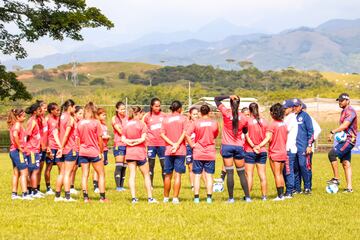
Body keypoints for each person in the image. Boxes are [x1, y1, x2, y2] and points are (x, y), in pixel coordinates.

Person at [214, 95, 250, 203]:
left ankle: (231, 199)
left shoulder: (226, 113)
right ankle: (247, 197)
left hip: (227, 146)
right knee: (241, 173)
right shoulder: (244, 117)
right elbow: (245, 131)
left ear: (230, 103)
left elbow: (216, 99)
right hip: (239, 146)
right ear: (239, 104)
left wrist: (228, 96)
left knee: (229, 173)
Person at [122, 106, 158, 203]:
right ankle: (150, 198)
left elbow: (123, 139)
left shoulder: (126, 125)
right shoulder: (142, 125)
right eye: (141, 113)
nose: (142, 115)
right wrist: (135, 141)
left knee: (132, 175)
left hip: (130, 153)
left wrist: (130, 142)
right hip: (140, 153)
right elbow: (142, 139)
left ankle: (134, 198)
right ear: (137, 113)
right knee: (146, 175)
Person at [186, 105, 219, 203]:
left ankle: (196, 198)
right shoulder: (214, 123)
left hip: (198, 152)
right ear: (209, 113)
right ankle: (209, 198)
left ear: (200, 113)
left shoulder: (196, 122)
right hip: (210, 152)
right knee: (209, 176)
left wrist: (192, 144)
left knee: (197, 175)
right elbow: (215, 135)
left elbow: (187, 134)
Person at [255, 103, 287, 201]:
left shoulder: (272, 124)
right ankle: (282, 195)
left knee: (276, 174)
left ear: (273, 113)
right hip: (283, 152)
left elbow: (268, 138)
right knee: (280, 174)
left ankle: (280, 196)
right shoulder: (284, 123)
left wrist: (259, 145)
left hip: (275, 152)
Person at [77, 102, 107, 203]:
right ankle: (102, 198)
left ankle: (86, 198)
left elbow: (77, 139)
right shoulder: (96, 123)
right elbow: (100, 139)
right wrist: (101, 151)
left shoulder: (79, 123)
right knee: (101, 174)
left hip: (82, 151)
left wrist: (79, 149)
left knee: (85, 175)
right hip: (94, 152)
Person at [327, 93, 358, 192]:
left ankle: (336, 178)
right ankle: (349, 188)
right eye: (339, 100)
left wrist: (333, 132)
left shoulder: (350, 111)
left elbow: (345, 125)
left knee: (332, 154)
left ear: (347, 101)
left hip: (349, 140)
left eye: (342, 100)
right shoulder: (343, 111)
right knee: (346, 163)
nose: (339, 102)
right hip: (345, 139)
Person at [161, 100, 187, 204]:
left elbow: (162, 134)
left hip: (168, 150)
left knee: (167, 175)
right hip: (180, 150)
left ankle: (166, 198)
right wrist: (176, 144)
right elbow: (184, 133)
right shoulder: (183, 118)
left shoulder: (165, 119)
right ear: (180, 108)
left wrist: (172, 144)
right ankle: (175, 198)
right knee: (178, 175)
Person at [244, 103, 268, 200]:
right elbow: (267, 137)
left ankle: (248, 197)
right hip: (262, 150)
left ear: (249, 111)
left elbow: (247, 136)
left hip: (250, 150)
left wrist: (254, 146)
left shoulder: (247, 122)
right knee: (262, 174)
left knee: (249, 175)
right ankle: (264, 196)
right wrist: (260, 146)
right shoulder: (264, 121)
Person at [8, 108, 33, 200]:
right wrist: (19, 147)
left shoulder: (15, 124)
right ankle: (25, 194)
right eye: (23, 116)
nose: (25, 117)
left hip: (12, 151)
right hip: (17, 152)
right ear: (18, 117)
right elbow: (15, 135)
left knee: (16, 173)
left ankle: (14, 194)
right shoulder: (18, 124)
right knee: (24, 173)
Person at [143, 98, 167, 187]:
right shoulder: (147, 116)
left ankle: (165, 184)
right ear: (152, 106)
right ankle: (150, 185)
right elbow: (142, 127)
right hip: (151, 144)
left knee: (164, 165)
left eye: (159, 106)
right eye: (156, 106)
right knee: (150, 165)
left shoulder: (164, 116)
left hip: (162, 144)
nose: (158, 108)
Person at [57, 99, 77, 202]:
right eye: (74, 107)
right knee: (68, 173)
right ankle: (67, 197)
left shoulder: (61, 116)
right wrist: (62, 147)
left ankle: (57, 196)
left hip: (63, 148)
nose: (75, 109)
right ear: (70, 107)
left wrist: (60, 147)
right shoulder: (70, 118)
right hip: (69, 148)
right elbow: (66, 134)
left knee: (62, 172)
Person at [293, 98, 314, 194]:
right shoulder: (291, 117)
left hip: (303, 146)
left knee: (303, 166)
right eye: (293, 106)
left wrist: (309, 145)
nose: (295, 108)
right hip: (293, 147)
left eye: (297, 106)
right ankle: (297, 188)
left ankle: (307, 187)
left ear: (301, 106)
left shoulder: (305, 116)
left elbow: (311, 131)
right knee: (295, 168)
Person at [44, 102, 61, 195]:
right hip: (51, 147)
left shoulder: (59, 119)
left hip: (58, 146)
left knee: (60, 166)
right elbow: (45, 134)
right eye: (57, 110)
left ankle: (60, 186)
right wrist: (47, 148)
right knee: (49, 167)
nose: (59, 111)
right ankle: (48, 188)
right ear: (51, 110)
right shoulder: (47, 119)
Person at [282, 100, 298, 198]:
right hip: (285, 148)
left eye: (285, 108)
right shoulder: (286, 118)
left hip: (289, 148)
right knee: (285, 171)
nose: (284, 110)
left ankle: (290, 191)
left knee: (288, 171)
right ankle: (288, 190)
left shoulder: (291, 118)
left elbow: (284, 129)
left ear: (291, 108)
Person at [93, 108, 110, 193]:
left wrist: (107, 138)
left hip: (105, 148)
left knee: (102, 168)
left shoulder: (104, 125)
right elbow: (96, 137)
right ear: (97, 116)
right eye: (103, 115)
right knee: (97, 168)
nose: (105, 116)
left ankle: (100, 185)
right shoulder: (96, 124)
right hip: (98, 148)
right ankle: (96, 186)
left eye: (105, 115)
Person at [112, 101, 128, 191]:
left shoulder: (127, 118)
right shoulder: (114, 118)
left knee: (124, 166)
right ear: (117, 109)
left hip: (127, 144)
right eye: (121, 109)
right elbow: (120, 131)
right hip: (119, 144)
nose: (123, 111)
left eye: (124, 109)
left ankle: (122, 186)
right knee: (119, 165)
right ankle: (118, 186)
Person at [70, 106, 83, 194]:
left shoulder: (80, 123)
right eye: (80, 114)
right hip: (72, 148)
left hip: (79, 148)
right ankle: (69, 187)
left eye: (83, 114)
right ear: (74, 113)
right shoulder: (72, 122)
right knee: (71, 168)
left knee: (75, 168)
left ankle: (72, 186)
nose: (82, 115)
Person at [185, 107, 199, 191]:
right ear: (190, 114)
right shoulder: (187, 123)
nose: (195, 116)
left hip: (198, 147)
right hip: (188, 146)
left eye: (197, 114)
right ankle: (192, 185)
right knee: (190, 166)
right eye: (194, 114)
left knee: (199, 166)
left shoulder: (200, 123)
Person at [37, 100, 48, 193]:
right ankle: (33, 189)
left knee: (40, 169)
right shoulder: (38, 119)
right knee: (36, 169)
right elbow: (37, 134)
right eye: (44, 108)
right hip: (39, 147)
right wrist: (42, 144)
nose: (46, 110)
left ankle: (37, 188)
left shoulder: (44, 118)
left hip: (44, 147)